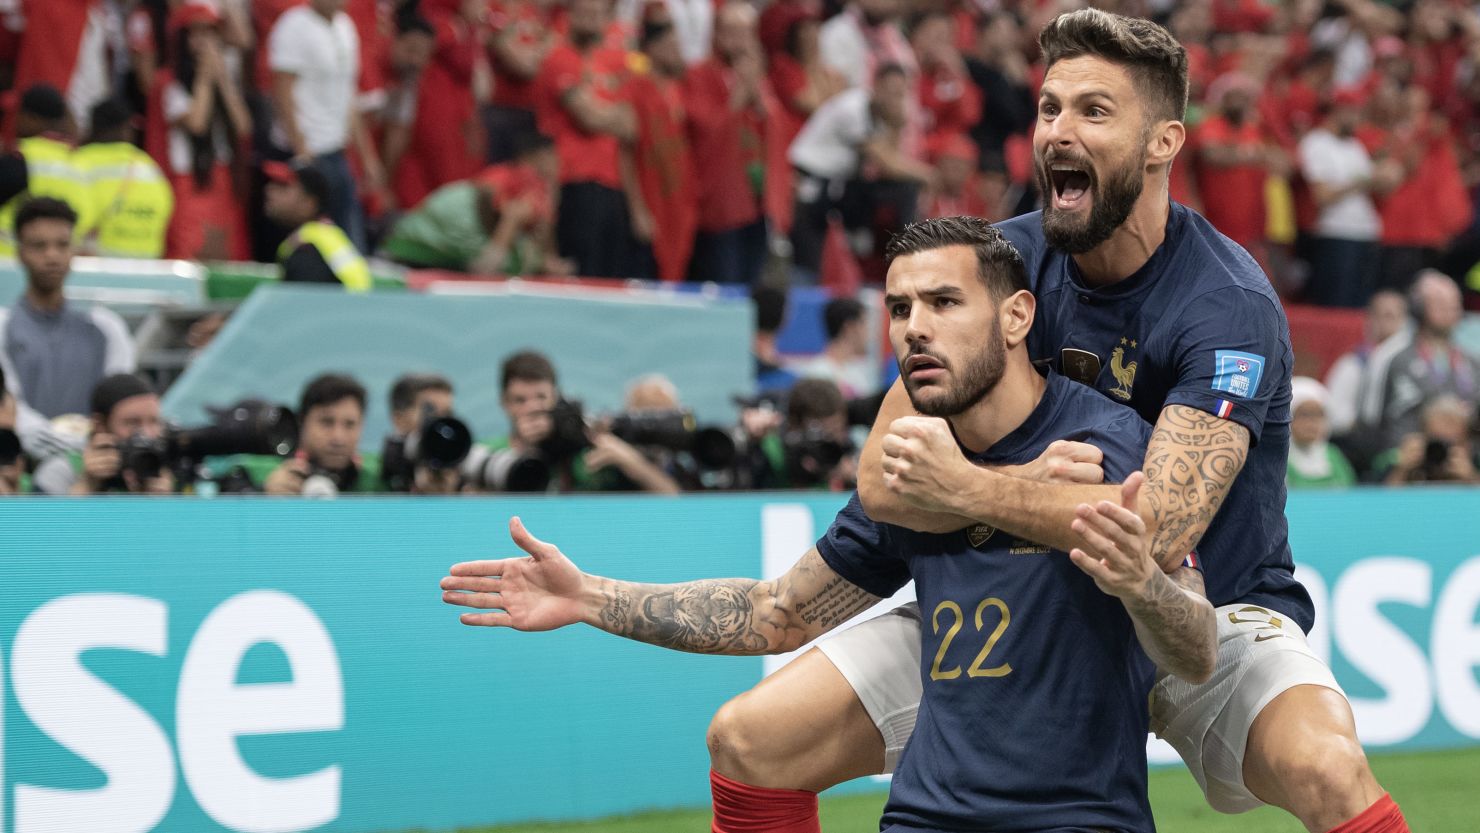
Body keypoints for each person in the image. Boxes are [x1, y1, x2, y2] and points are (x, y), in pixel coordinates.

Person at [707, 11, 1411, 833]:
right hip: (1020, 598)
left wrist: (968, 484)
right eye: (1049, 108)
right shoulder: (998, 263)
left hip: (1201, 610)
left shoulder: (1228, 303)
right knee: (752, 736)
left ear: (1163, 142)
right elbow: (885, 480)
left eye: (1094, 111)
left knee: (1326, 766)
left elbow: (1149, 532)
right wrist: (1009, 490)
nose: (1057, 132)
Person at [442, 217, 1217, 833]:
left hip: (1074, 817)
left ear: (1017, 317)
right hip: (923, 815)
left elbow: (1197, 647)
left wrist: (1144, 582)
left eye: (944, 303)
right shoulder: (913, 471)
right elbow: (777, 612)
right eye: (900, 308)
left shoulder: (1110, 442)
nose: (915, 327)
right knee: (741, 735)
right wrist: (587, 597)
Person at [788, 64, 934, 275]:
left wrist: (896, 125)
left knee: (904, 189)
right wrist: (930, 175)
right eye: (891, 92)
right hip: (811, 182)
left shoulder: (880, 115)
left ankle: (900, 254)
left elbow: (890, 163)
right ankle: (904, 256)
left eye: (901, 94)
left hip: (839, 184)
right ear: (875, 87)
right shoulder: (853, 108)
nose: (895, 99)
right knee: (809, 257)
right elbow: (888, 165)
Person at [0, 198, 135, 422]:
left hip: (92, 455)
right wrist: (65, 450)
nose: (52, 256)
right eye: (39, 246)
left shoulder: (106, 328)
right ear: (20, 253)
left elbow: (119, 404)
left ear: (74, 250)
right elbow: (9, 410)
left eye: (62, 244)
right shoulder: (3, 327)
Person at [268, 0, 384, 250]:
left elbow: (347, 96)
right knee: (305, 244)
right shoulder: (293, 26)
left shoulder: (345, 27)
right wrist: (301, 150)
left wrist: (367, 158)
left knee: (348, 241)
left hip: (336, 151)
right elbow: (282, 92)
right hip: (306, 151)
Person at [479, 350, 679, 494]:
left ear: (557, 397)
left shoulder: (589, 452)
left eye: (541, 397)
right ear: (504, 403)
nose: (532, 408)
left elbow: (672, 497)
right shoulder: (485, 453)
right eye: (520, 400)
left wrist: (630, 460)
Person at [535, 0, 637, 278]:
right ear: (569, 16)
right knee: (581, 268)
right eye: (585, 14)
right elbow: (589, 117)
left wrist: (606, 115)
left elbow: (631, 125)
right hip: (573, 177)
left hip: (611, 179)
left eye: (598, 15)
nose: (591, 21)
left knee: (609, 271)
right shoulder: (559, 58)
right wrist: (609, 115)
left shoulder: (607, 64)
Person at [383, 133, 563, 275]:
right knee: (504, 263)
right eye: (554, 157)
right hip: (461, 222)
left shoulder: (511, 175)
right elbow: (512, 215)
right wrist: (500, 246)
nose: (558, 164)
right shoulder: (528, 185)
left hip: (451, 207)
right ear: (540, 157)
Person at [682, 1, 771, 284]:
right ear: (716, 34)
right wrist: (740, 96)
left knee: (752, 287)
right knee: (724, 286)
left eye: (746, 33)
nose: (739, 40)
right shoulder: (698, 74)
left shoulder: (756, 78)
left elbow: (773, 128)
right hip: (719, 203)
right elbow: (705, 131)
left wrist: (757, 97)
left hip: (756, 200)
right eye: (731, 32)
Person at [160, 2, 254, 261]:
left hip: (222, 177)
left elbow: (243, 126)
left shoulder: (225, 77)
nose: (205, 41)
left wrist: (222, 79)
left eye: (210, 33)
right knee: (190, 250)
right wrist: (205, 75)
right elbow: (197, 123)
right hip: (190, 180)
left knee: (225, 251)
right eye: (197, 33)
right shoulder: (172, 83)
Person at [1298, 88, 1398, 308]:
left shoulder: (1355, 146)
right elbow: (1322, 195)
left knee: (1360, 307)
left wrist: (1388, 177)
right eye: (1353, 112)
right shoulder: (1316, 143)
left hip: (1365, 233)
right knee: (1336, 305)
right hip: (1336, 233)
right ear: (1338, 111)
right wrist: (1366, 179)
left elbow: (1372, 186)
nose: (1357, 119)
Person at [623, 18, 698, 283]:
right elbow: (626, 154)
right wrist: (638, 209)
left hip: (680, 201)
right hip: (651, 197)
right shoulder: (636, 88)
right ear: (652, 48)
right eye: (671, 45)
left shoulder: (681, 89)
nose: (678, 52)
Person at [1377, 270, 1479, 447]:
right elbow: (1396, 422)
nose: (1449, 312)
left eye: (1454, 305)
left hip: (1466, 452)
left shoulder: (1471, 361)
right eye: (1440, 305)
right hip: (1418, 452)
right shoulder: (1401, 360)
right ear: (1419, 308)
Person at [238, 373, 382, 495]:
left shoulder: (382, 478)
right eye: (327, 422)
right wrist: (261, 492)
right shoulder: (256, 473)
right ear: (302, 422)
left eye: (350, 424)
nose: (338, 437)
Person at [32, 374, 174, 496]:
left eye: (154, 422)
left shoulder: (168, 470)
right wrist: (87, 485)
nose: (147, 434)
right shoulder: (62, 472)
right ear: (100, 424)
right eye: (132, 423)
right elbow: (49, 527)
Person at [73, 98, 174, 259]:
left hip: (91, 270)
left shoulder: (77, 162)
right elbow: (166, 212)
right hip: (146, 271)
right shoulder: (149, 167)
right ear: (127, 128)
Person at [0, 84, 89, 257]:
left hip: (11, 266)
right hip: (61, 265)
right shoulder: (78, 162)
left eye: (20, 114)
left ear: (32, 118)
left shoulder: (20, 160)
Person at [263, 161, 372, 291]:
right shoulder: (324, 236)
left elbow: (307, 306)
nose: (269, 190)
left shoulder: (307, 250)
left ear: (309, 203)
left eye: (283, 187)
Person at [1324, 288, 1409, 436]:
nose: (1387, 323)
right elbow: (1336, 412)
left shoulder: (1413, 364)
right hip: (1362, 439)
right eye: (1383, 315)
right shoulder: (1354, 363)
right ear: (1369, 319)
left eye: (1394, 316)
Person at [1377, 394, 1480, 485]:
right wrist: (1402, 470)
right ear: (1422, 437)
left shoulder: (1475, 463)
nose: (1441, 450)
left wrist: (1471, 477)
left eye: (1450, 444)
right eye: (1436, 442)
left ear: (1467, 443)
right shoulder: (1398, 462)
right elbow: (1378, 502)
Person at [791, 297, 876, 398]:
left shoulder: (861, 373)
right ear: (850, 327)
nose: (869, 333)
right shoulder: (817, 373)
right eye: (864, 324)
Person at [1287, 377, 1357, 489]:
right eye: (1304, 415)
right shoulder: (1278, 459)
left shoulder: (1333, 456)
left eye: (1318, 415)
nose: (1311, 423)